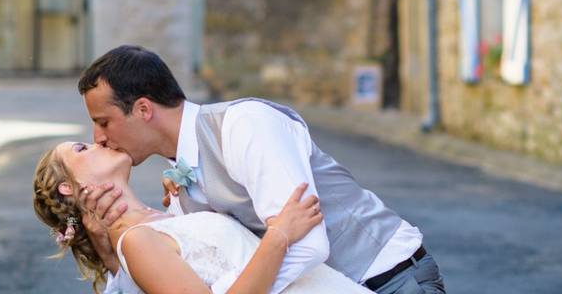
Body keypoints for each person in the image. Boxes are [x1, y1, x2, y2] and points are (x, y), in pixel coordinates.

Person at [76, 45, 446, 294]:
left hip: (390, 280)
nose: (98, 136)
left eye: (104, 121)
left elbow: (308, 244)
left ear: (143, 109)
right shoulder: (179, 188)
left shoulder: (245, 125)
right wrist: (104, 248)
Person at [33, 140, 372, 293]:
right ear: (68, 188)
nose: (99, 140)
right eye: (81, 148)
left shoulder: (164, 215)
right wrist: (280, 235)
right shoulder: (136, 241)